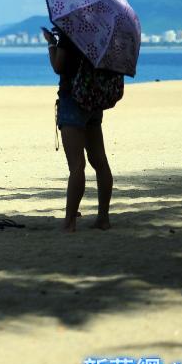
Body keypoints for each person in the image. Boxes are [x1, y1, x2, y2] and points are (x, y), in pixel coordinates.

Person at [43, 28, 113, 232]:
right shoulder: (100, 31)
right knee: (100, 161)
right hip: (93, 99)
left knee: (76, 165)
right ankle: (103, 218)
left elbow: (58, 66)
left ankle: (70, 222)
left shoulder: (71, 30)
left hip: (72, 100)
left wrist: (51, 43)